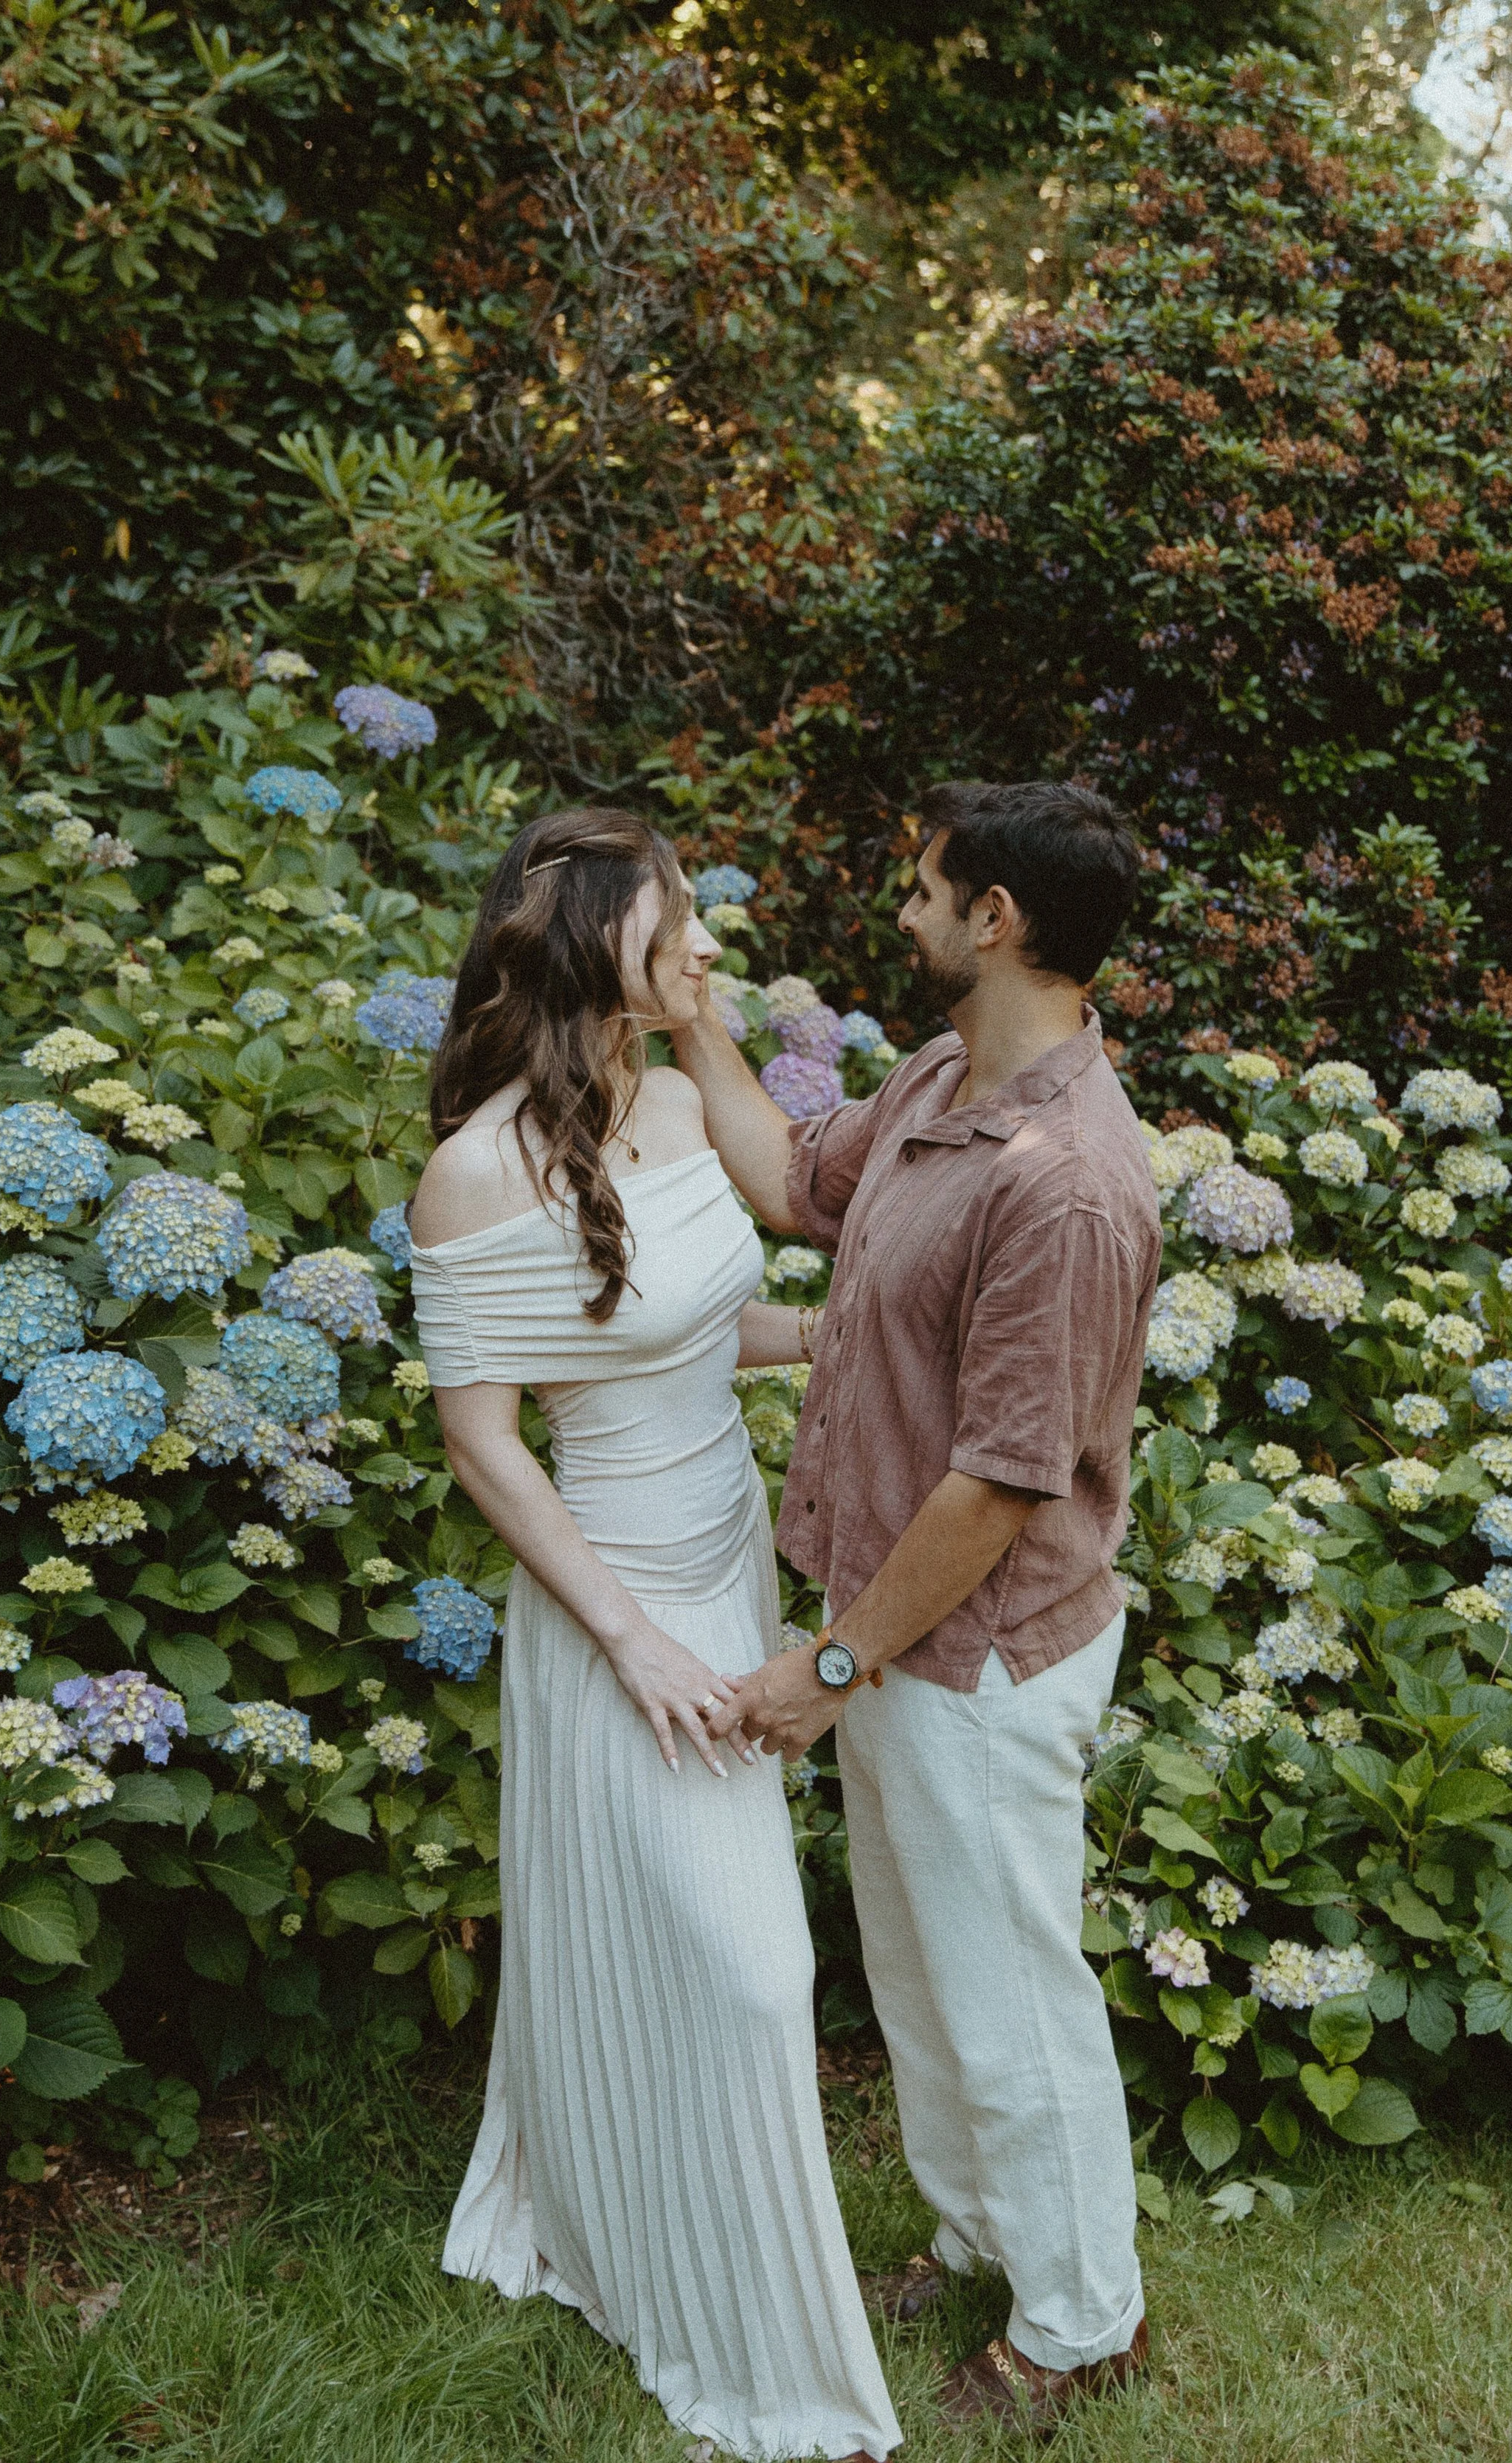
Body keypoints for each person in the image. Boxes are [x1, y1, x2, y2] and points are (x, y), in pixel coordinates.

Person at [406, 805, 901, 2463]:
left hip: (726, 1557)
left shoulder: (682, 1099)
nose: (700, 940)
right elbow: (486, 1443)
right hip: (608, 1597)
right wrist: (624, 1641)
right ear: (581, 942)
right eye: (671, 916)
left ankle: (626, 2193)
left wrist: (845, 1337)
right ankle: (740, 2336)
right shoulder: (471, 1173)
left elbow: (700, 1322)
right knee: (757, 1976)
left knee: (703, 1942)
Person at [675, 778, 1159, 2432]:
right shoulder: (944, 1077)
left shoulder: (1067, 1183)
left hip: (975, 1652)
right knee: (923, 1966)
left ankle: (1081, 2320)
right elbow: (787, 1182)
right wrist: (692, 1023)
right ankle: (981, 2243)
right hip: (894, 1627)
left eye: (924, 887)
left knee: (1006, 1986)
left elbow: (1001, 1482)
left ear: (995, 920)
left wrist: (828, 1659)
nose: (903, 913)